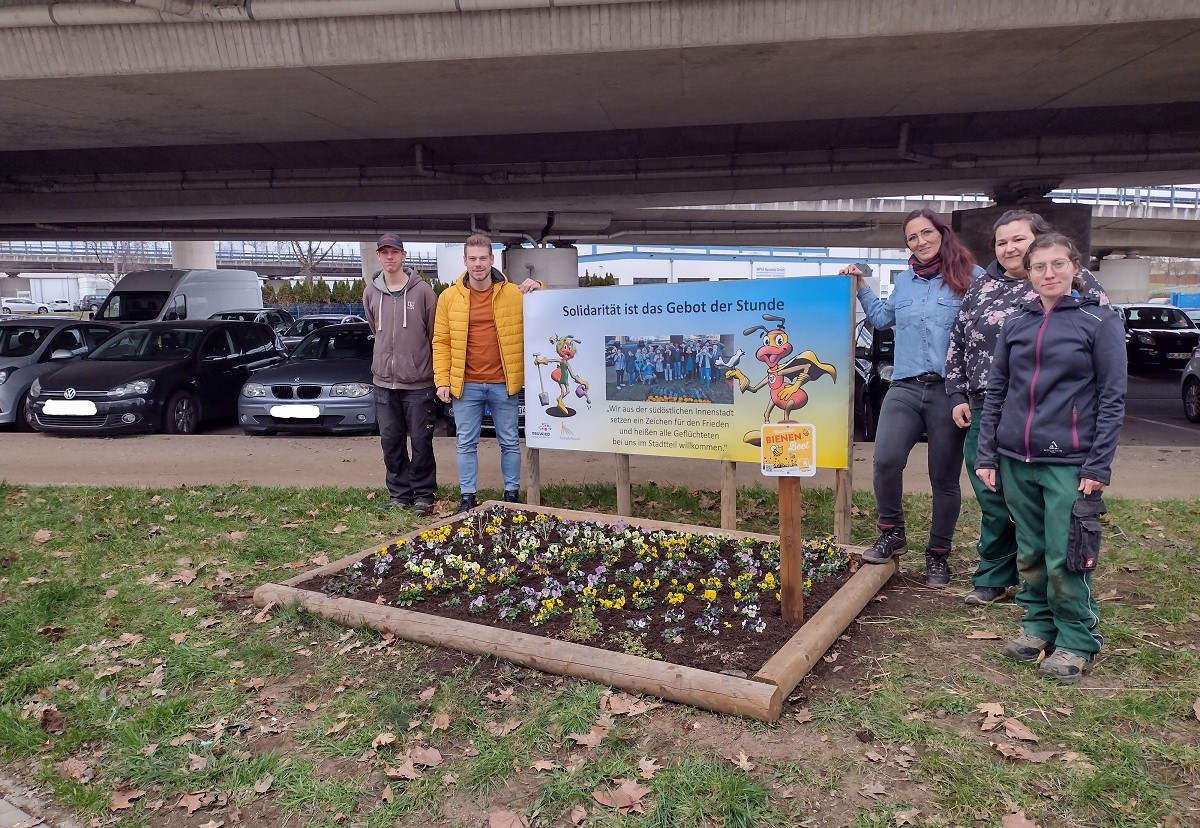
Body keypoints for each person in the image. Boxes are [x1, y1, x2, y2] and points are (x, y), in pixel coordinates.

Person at [974, 233, 1125, 683]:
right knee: (1032, 549)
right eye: (1039, 267)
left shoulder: (1098, 323)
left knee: (1067, 553)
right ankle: (1038, 624)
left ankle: (1077, 638)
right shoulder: (1014, 325)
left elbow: (1113, 397)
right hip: (1015, 458)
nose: (1049, 274)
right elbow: (996, 391)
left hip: (1070, 462)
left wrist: (1099, 464)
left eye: (1058, 264)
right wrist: (987, 453)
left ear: (1074, 268)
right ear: (1029, 272)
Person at [945, 210, 1110, 605]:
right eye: (1001, 242)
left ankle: (1053, 589)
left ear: (1038, 240)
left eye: (1018, 240)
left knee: (1040, 505)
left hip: (1049, 416)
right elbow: (958, 340)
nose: (1009, 249)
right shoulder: (981, 288)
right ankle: (995, 573)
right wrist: (957, 394)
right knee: (994, 497)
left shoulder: (1074, 286)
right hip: (987, 407)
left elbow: (1102, 345)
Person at [841, 208, 982, 587]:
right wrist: (862, 286)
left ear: (941, 232)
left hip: (948, 390)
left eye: (925, 233)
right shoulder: (904, 282)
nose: (920, 242)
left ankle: (938, 554)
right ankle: (892, 533)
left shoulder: (971, 277)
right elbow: (883, 319)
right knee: (885, 460)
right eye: (912, 238)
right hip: (903, 386)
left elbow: (987, 329)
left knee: (944, 477)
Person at [433, 234, 541, 512]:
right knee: (465, 443)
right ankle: (467, 498)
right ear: (465, 261)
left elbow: (546, 301)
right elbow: (441, 341)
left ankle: (511, 496)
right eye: (473, 258)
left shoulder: (514, 293)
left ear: (492, 260)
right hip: (465, 383)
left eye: (483, 258)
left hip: (503, 382)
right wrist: (442, 380)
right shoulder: (448, 297)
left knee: (509, 442)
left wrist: (538, 284)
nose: (478, 264)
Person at [362, 232, 439, 515]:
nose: (389, 257)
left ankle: (423, 494)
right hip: (384, 383)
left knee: (421, 441)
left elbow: (433, 335)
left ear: (404, 255)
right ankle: (399, 494)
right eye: (384, 252)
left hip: (418, 384)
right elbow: (375, 329)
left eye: (394, 252)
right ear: (379, 256)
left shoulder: (424, 292)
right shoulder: (371, 292)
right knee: (390, 441)